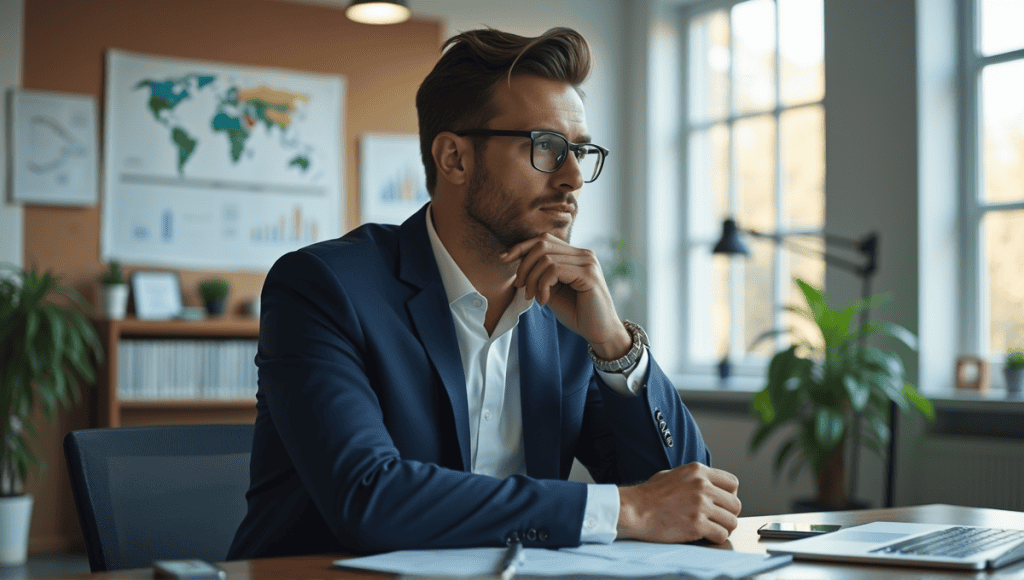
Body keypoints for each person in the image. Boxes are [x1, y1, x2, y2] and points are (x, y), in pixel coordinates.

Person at [228, 26, 741, 560]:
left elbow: (690, 503)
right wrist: (625, 510)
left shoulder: (566, 314)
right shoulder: (324, 289)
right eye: (546, 147)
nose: (573, 179)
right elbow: (370, 499)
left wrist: (615, 345)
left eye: (580, 151)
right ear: (454, 159)